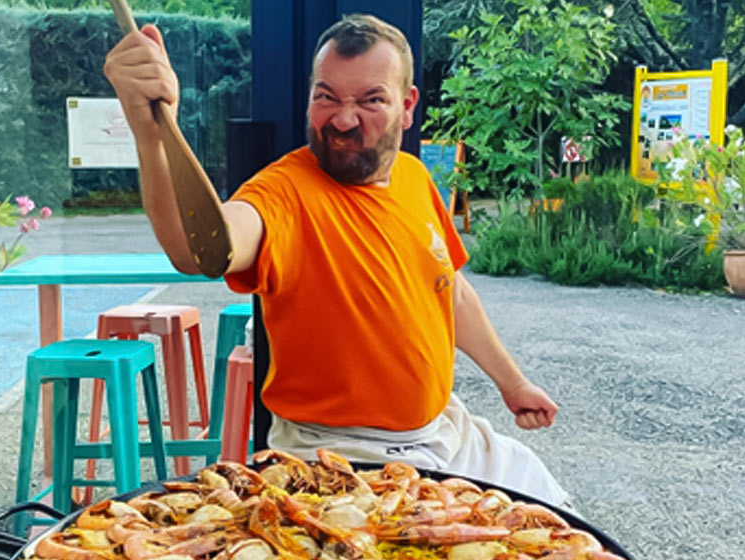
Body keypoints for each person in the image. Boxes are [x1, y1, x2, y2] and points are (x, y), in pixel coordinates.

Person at [104, 13, 568, 505]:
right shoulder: (283, 192)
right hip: (339, 456)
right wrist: (152, 131)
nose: (343, 120)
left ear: (407, 106)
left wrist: (512, 383)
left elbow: (449, 289)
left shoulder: (414, 178)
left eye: (370, 100)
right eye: (326, 97)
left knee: (559, 521)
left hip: (446, 431)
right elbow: (199, 246)